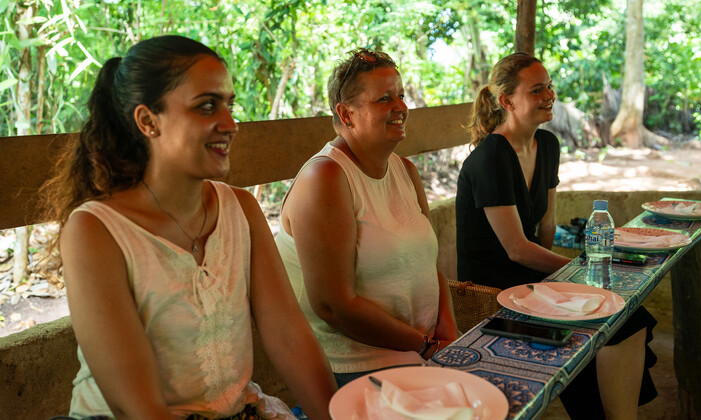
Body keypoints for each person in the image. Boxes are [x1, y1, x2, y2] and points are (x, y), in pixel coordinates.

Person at [39, 35, 336, 420]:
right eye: (207, 106)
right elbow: (139, 407)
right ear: (148, 121)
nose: (230, 124)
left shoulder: (240, 209)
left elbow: (290, 338)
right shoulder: (97, 231)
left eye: (229, 105)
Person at [455, 52, 657, 420]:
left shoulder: (547, 145)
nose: (549, 94)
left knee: (627, 315)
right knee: (599, 323)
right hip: (493, 290)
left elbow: (547, 225)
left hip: (529, 278)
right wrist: (579, 271)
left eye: (549, 86)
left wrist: (562, 281)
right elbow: (517, 250)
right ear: (507, 101)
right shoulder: (490, 158)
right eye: (536, 90)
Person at [275, 48, 459, 388]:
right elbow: (334, 306)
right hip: (359, 361)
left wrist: (449, 336)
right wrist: (424, 345)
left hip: (421, 350)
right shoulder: (326, 178)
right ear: (346, 114)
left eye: (401, 96)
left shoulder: (405, 170)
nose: (401, 107)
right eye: (384, 99)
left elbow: (430, 265)